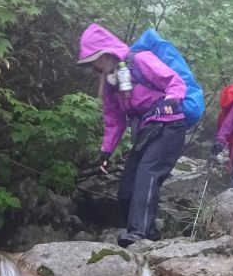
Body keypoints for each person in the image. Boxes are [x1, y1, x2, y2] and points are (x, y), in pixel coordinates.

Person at [76, 23, 187, 247]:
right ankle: (150, 233)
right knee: (126, 190)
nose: (95, 66)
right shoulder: (111, 85)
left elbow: (174, 81)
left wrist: (172, 98)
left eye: (96, 59)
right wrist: (105, 152)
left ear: (107, 53)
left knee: (147, 175)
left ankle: (140, 233)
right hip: (145, 132)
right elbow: (114, 121)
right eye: (92, 63)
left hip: (168, 127)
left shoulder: (141, 60)